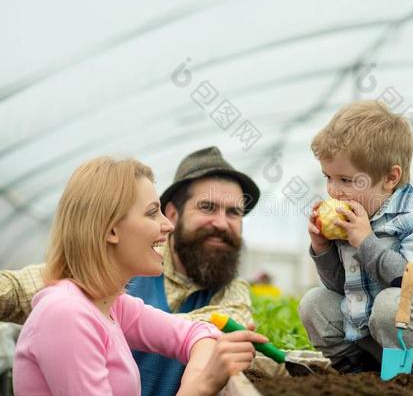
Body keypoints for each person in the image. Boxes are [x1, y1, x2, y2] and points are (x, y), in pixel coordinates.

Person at [0, 146, 261, 395]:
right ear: (111, 229)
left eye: (234, 213)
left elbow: (197, 333)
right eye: (207, 207)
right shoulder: (73, 310)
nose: (222, 222)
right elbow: (24, 288)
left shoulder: (113, 304)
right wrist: (199, 387)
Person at [299, 101, 413, 379]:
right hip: (376, 338)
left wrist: (366, 242)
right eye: (328, 177)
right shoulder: (356, 216)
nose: (333, 191)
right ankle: (358, 374)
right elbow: (338, 287)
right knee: (314, 302)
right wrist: (322, 250)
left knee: (391, 302)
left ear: (390, 178)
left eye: (346, 179)